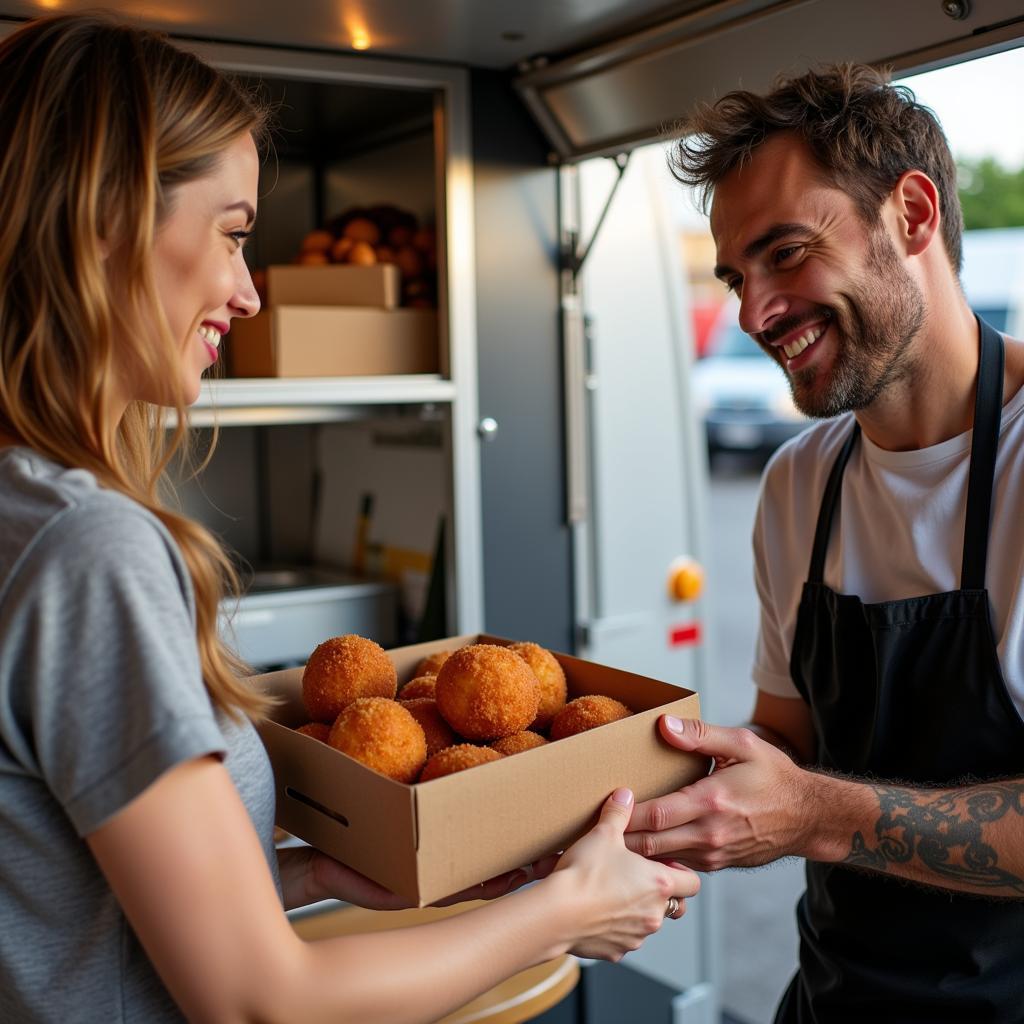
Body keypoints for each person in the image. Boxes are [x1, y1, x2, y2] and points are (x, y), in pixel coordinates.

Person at [0, 14, 701, 1023]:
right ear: (103, 217)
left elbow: (61, 905)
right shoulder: (85, 550)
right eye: (235, 233)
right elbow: (258, 1001)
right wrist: (571, 907)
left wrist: (319, 872)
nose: (246, 293)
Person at [623, 63, 1024, 1022]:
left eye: (787, 253)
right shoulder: (801, 480)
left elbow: (809, 798)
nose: (754, 312)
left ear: (914, 214)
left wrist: (814, 815)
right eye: (736, 276)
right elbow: (789, 738)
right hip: (837, 1000)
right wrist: (638, 805)